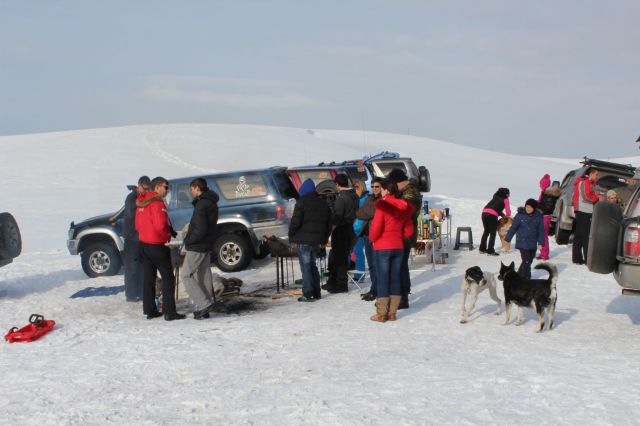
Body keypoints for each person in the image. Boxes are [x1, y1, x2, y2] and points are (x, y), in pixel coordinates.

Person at [135, 176, 185, 321]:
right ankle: (169, 312)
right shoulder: (157, 203)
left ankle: (150, 310)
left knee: (148, 278)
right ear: (156, 187)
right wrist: (166, 236)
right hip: (156, 245)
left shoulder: (141, 203)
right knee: (168, 278)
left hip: (143, 245)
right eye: (165, 187)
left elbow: (137, 225)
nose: (167, 190)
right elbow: (160, 225)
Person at [368, 179, 414, 322]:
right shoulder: (404, 207)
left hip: (382, 247)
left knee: (382, 278)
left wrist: (372, 239)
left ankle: (382, 314)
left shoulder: (382, 206)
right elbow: (409, 230)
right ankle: (392, 313)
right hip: (398, 247)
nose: (379, 191)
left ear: (387, 190)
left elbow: (375, 229)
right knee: (395, 278)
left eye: (381, 189)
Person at [180, 177, 221, 320]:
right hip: (206, 244)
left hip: (198, 245)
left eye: (191, 189)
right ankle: (206, 306)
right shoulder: (211, 202)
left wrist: (188, 240)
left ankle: (203, 304)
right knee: (204, 274)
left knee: (185, 274)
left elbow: (200, 228)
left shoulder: (201, 204)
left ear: (197, 187)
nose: (191, 192)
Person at [288, 178, 332, 302]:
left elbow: (295, 222)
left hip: (304, 241)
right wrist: (324, 239)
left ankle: (307, 293)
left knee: (306, 267)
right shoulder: (323, 203)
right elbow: (329, 224)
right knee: (312, 266)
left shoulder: (301, 203)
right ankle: (316, 291)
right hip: (317, 241)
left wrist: (291, 236)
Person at [387, 168, 422, 309]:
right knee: (400, 266)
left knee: (400, 266)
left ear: (398, 182)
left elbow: (404, 211)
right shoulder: (405, 192)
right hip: (401, 233)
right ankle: (400, 295)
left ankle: (402, 297)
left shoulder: (411, 193)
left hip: (405, 234)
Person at [323, 174, 359, 293]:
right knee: (341, 256)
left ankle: (341, 284)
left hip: (341, 229)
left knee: (339, 258)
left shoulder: (342, 198)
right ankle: (334, 282)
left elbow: (337, 217)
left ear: (337, 184)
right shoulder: (354, 195)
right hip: (349, 228)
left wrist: (328, 231)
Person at [123, 176, 151, 302]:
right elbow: (131, 214)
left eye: (147, 189)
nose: (145, 191)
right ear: (139, 185)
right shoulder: (131, 198)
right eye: (144, 188)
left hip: (142, 237)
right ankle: (130, 294)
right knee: (131, 267)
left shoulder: (145, 196)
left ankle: (140, 291)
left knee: (141, 266)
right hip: (131, 237)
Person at [356, 177, 383, 301]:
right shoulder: (370, 198)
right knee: (371, 265)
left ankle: (378, 290)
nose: (374, 189)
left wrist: (370, 212)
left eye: (377, 186)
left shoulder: (383, 200)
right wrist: (371, 212)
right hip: (367, 235)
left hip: (377, 236)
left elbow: (375, 213)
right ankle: (374, 289)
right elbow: (360, 213)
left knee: (377, 264)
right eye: (372, 186)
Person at [505, 199, 545, 279]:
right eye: (527, 207)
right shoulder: (520, 216)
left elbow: (541, 230)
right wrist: (507, 239)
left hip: (533, 243)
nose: (528, 209)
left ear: (534, 208)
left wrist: (541, 243)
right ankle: (519, 276)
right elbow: (513, 228)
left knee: (529, 260)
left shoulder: (538, 217)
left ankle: (527, 275)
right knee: (526, 260)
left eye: (530, 207)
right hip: (522, 242)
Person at [572, 168, 601, 265]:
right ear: (591, 174)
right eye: (596, 174)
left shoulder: (589, 183)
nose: (597, 176)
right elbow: (586, 196)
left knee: (579, 235)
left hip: (583, 210)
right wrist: (597, 198)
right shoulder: (585, 183)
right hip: (584, 211)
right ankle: (588, 259)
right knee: (586, 235)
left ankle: (577, 258)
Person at [479, 188, 511, 256]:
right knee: (493, 232)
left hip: (484, 212)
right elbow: (508, 212)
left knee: (486, 231)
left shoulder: (495, 197)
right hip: (492, 215)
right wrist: (506, 216)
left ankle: (482, 249)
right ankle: (490, 251)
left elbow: (496, 208)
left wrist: (502, 215)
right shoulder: (505, 199)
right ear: (507, 194)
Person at [536, 174, 561, 260]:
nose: (540, 185)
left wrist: (537, 207)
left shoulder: (547, 194)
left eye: (541, 184)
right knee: (541, 235)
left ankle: (545, 254)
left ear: (544, 185)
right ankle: (543, 252)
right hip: (543, 216)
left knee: (543, 235)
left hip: (545, 216)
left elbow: (547, 207)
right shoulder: (545, 193)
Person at [351, 180, 369, 280]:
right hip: (358, 228)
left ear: (361, 188)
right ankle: (359, 274)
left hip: (360, 229)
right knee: (357, 252)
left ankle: (359, 275)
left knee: (358, 251)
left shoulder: (363, 199)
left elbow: (361, 216)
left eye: (356, 188)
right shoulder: (362, 198)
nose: (355, 191)